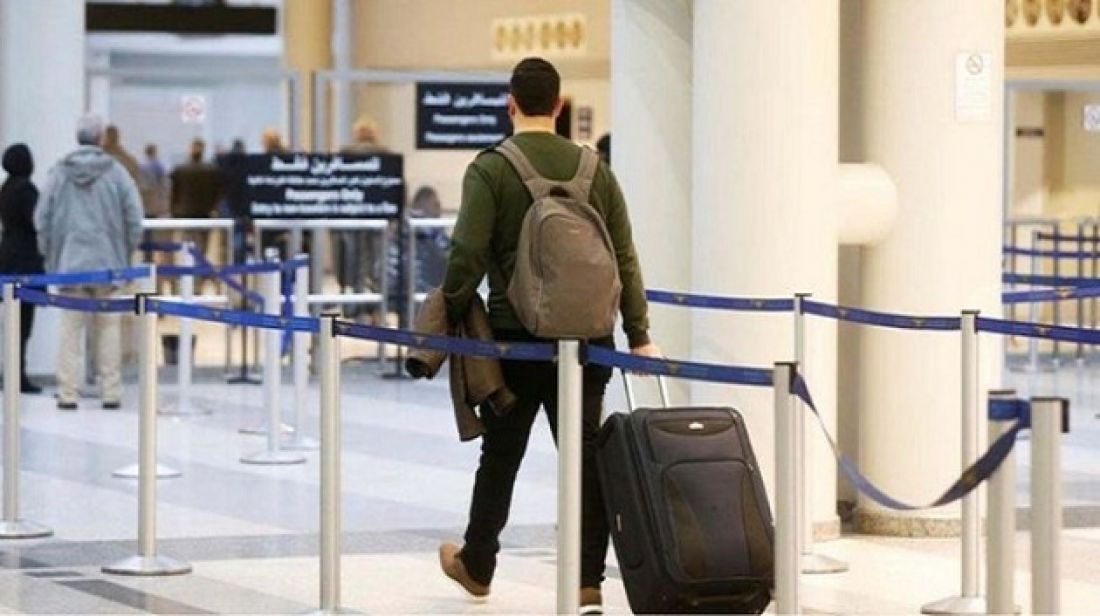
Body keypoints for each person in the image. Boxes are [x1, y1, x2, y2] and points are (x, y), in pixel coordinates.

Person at [437, 57, 659, 611]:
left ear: (510, 104)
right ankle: (587, 581)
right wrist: (638, 332)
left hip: (515, 342)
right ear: (559, 106)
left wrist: (452, 307)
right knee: (585, 461)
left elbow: (466, 252)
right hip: (587, 343)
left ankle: (478, 564)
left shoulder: (491, 168)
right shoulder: (595, 170)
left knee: (500, 455)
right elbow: (624, 256)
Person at [36, 114, 143, 410]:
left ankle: (68, 392)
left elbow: (42, 218)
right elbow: (134, 217)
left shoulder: (59, 172)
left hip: (70, 264)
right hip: (107, 263)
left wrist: (51, 257)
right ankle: (111, 391)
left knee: (70, 329)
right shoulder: (117, 172)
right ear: (100, 138)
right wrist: (125, 254)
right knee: (108, 328)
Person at [0, 144, 45, 393]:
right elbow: (37, 221)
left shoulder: (5, 189)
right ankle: (17, 374)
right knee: (23, 324)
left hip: (7, 255)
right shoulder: (26, 190)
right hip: (26, 258)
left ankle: (9, 371)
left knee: (11, 321)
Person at [339, 116, 390, 308]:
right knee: (377, 260)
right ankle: (377, 304)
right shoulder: (386, 155)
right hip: (379, 215)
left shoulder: (346, 154)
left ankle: (355, 303)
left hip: (354, 215)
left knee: (355, 261)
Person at [169, 138, 223, 258]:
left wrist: (173, 211)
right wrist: (214, 207)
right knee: (203, 245)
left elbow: (173, 193)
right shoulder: (212, 170)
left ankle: (189, 265)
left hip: (185, 212)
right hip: (205, 212)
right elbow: (218, 193)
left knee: (187, 243)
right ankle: (201, 266)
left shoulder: (180, 170)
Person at [137, 144, 169, 219]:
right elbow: (162, 180)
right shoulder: (158, 165)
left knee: (145, 212)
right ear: (154, 152)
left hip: (143, 191)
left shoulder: (142, 165)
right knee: (153, 213)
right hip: (154, 192)